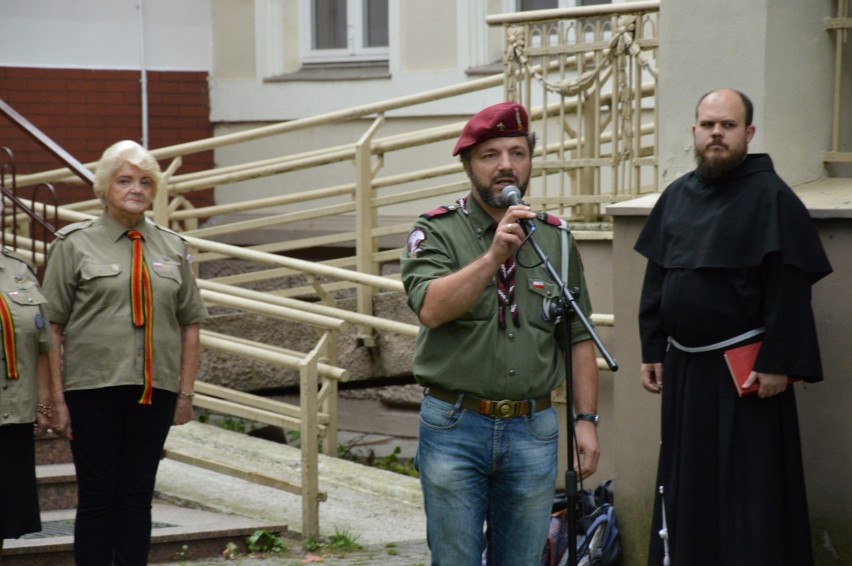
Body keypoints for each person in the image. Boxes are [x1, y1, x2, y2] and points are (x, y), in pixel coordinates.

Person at [635, 89, 832, 566]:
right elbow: (659, 277)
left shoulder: (772, 198)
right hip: (685, 370)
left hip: (744, 374)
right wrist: (653, 348)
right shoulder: (677, 194)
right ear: (694, 132)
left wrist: (778, 362)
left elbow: (789, 290)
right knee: (689, 482)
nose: (716, 134)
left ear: (749, 133)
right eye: (707, 125)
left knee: (749, 489)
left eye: (727, 125)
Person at [401, 101, 600, 566]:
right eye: (490, 154)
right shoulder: (435, 231)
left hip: (533, 428)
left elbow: (578, 336)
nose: (506, 165)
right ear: (469, 164)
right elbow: (431, 309)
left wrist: (586, 421)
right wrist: (492, 257)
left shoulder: (555, 238)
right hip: (455, 425)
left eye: (517, 152)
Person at [41, 140, 209, 566]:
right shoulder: (73, 244)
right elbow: (51, 328)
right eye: (125, 180)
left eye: (145, 181)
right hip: (91, 389)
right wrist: (54, 399)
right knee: (98, 496)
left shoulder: (172, 246)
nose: (136, 189)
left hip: (155, 389)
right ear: (104, 187)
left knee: (137, 496)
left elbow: (190, 324)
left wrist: (185, 394)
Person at [0, 247, 60, 556]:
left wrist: (44, 403)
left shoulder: (17, 268)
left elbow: (41, 343)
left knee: (4, 518)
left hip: (12, 416)